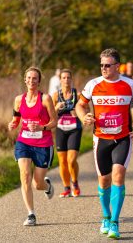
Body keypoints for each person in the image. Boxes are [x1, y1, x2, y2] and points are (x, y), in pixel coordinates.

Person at [75, 48, 133, 239]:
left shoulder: (130, 85)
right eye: (101, 65)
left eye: (107, 65)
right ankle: (105, 216)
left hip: (122, 138)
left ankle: (115, 222)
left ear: (117, 66)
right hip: (101, 139)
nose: (104, 68)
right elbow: (80, 105)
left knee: (118, 174)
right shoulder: (93, 85)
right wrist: (84, 117)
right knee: (104, 181)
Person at [8, 67, 57, 226]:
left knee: (38, 183)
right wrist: (13, 124)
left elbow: (54, 122)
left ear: (39, 81)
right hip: (24, 142)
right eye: (28, 78)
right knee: (24, 175)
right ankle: (31, 214)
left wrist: (42, 128)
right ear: (25, 80)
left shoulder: (46, 99)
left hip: (43, 144)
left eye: (34, 78)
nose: (31, 81)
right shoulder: (18, 99)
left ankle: (47, 185)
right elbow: (16, 118)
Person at [52, 69, 83, 197]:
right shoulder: (55, 96)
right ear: (60, 80)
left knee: (71, 160)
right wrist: (56, 108)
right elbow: (50, 115)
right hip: (60, 129)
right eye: (63, 78)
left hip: (74, 129)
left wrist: (79, 113)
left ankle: (74, 183)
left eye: (68, 78)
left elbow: (86, 111)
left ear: (71, 79)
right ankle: (66, 188)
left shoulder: (78, 94)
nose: (66, 80)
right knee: (62, 161)